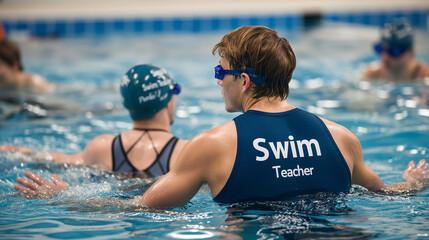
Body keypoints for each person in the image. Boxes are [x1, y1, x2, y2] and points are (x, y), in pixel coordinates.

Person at [15, 26, 429, 206]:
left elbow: (141, 208)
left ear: (244, 80)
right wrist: (411, 183)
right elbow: (387, 194)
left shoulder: (213, 146)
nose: (218, 82)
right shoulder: (341, 137)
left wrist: (62, 199)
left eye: (221, 72)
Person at [4, 64, 187, 193]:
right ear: (168, 100)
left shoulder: (102, 147)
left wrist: (24, 152)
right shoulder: (186, 151)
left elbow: (60, 160)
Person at [361, 19, 429, 81]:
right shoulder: (371, 75)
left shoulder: (425, 77)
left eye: (393, 51)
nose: (385, 57)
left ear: (410, 51)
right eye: (380, 49)